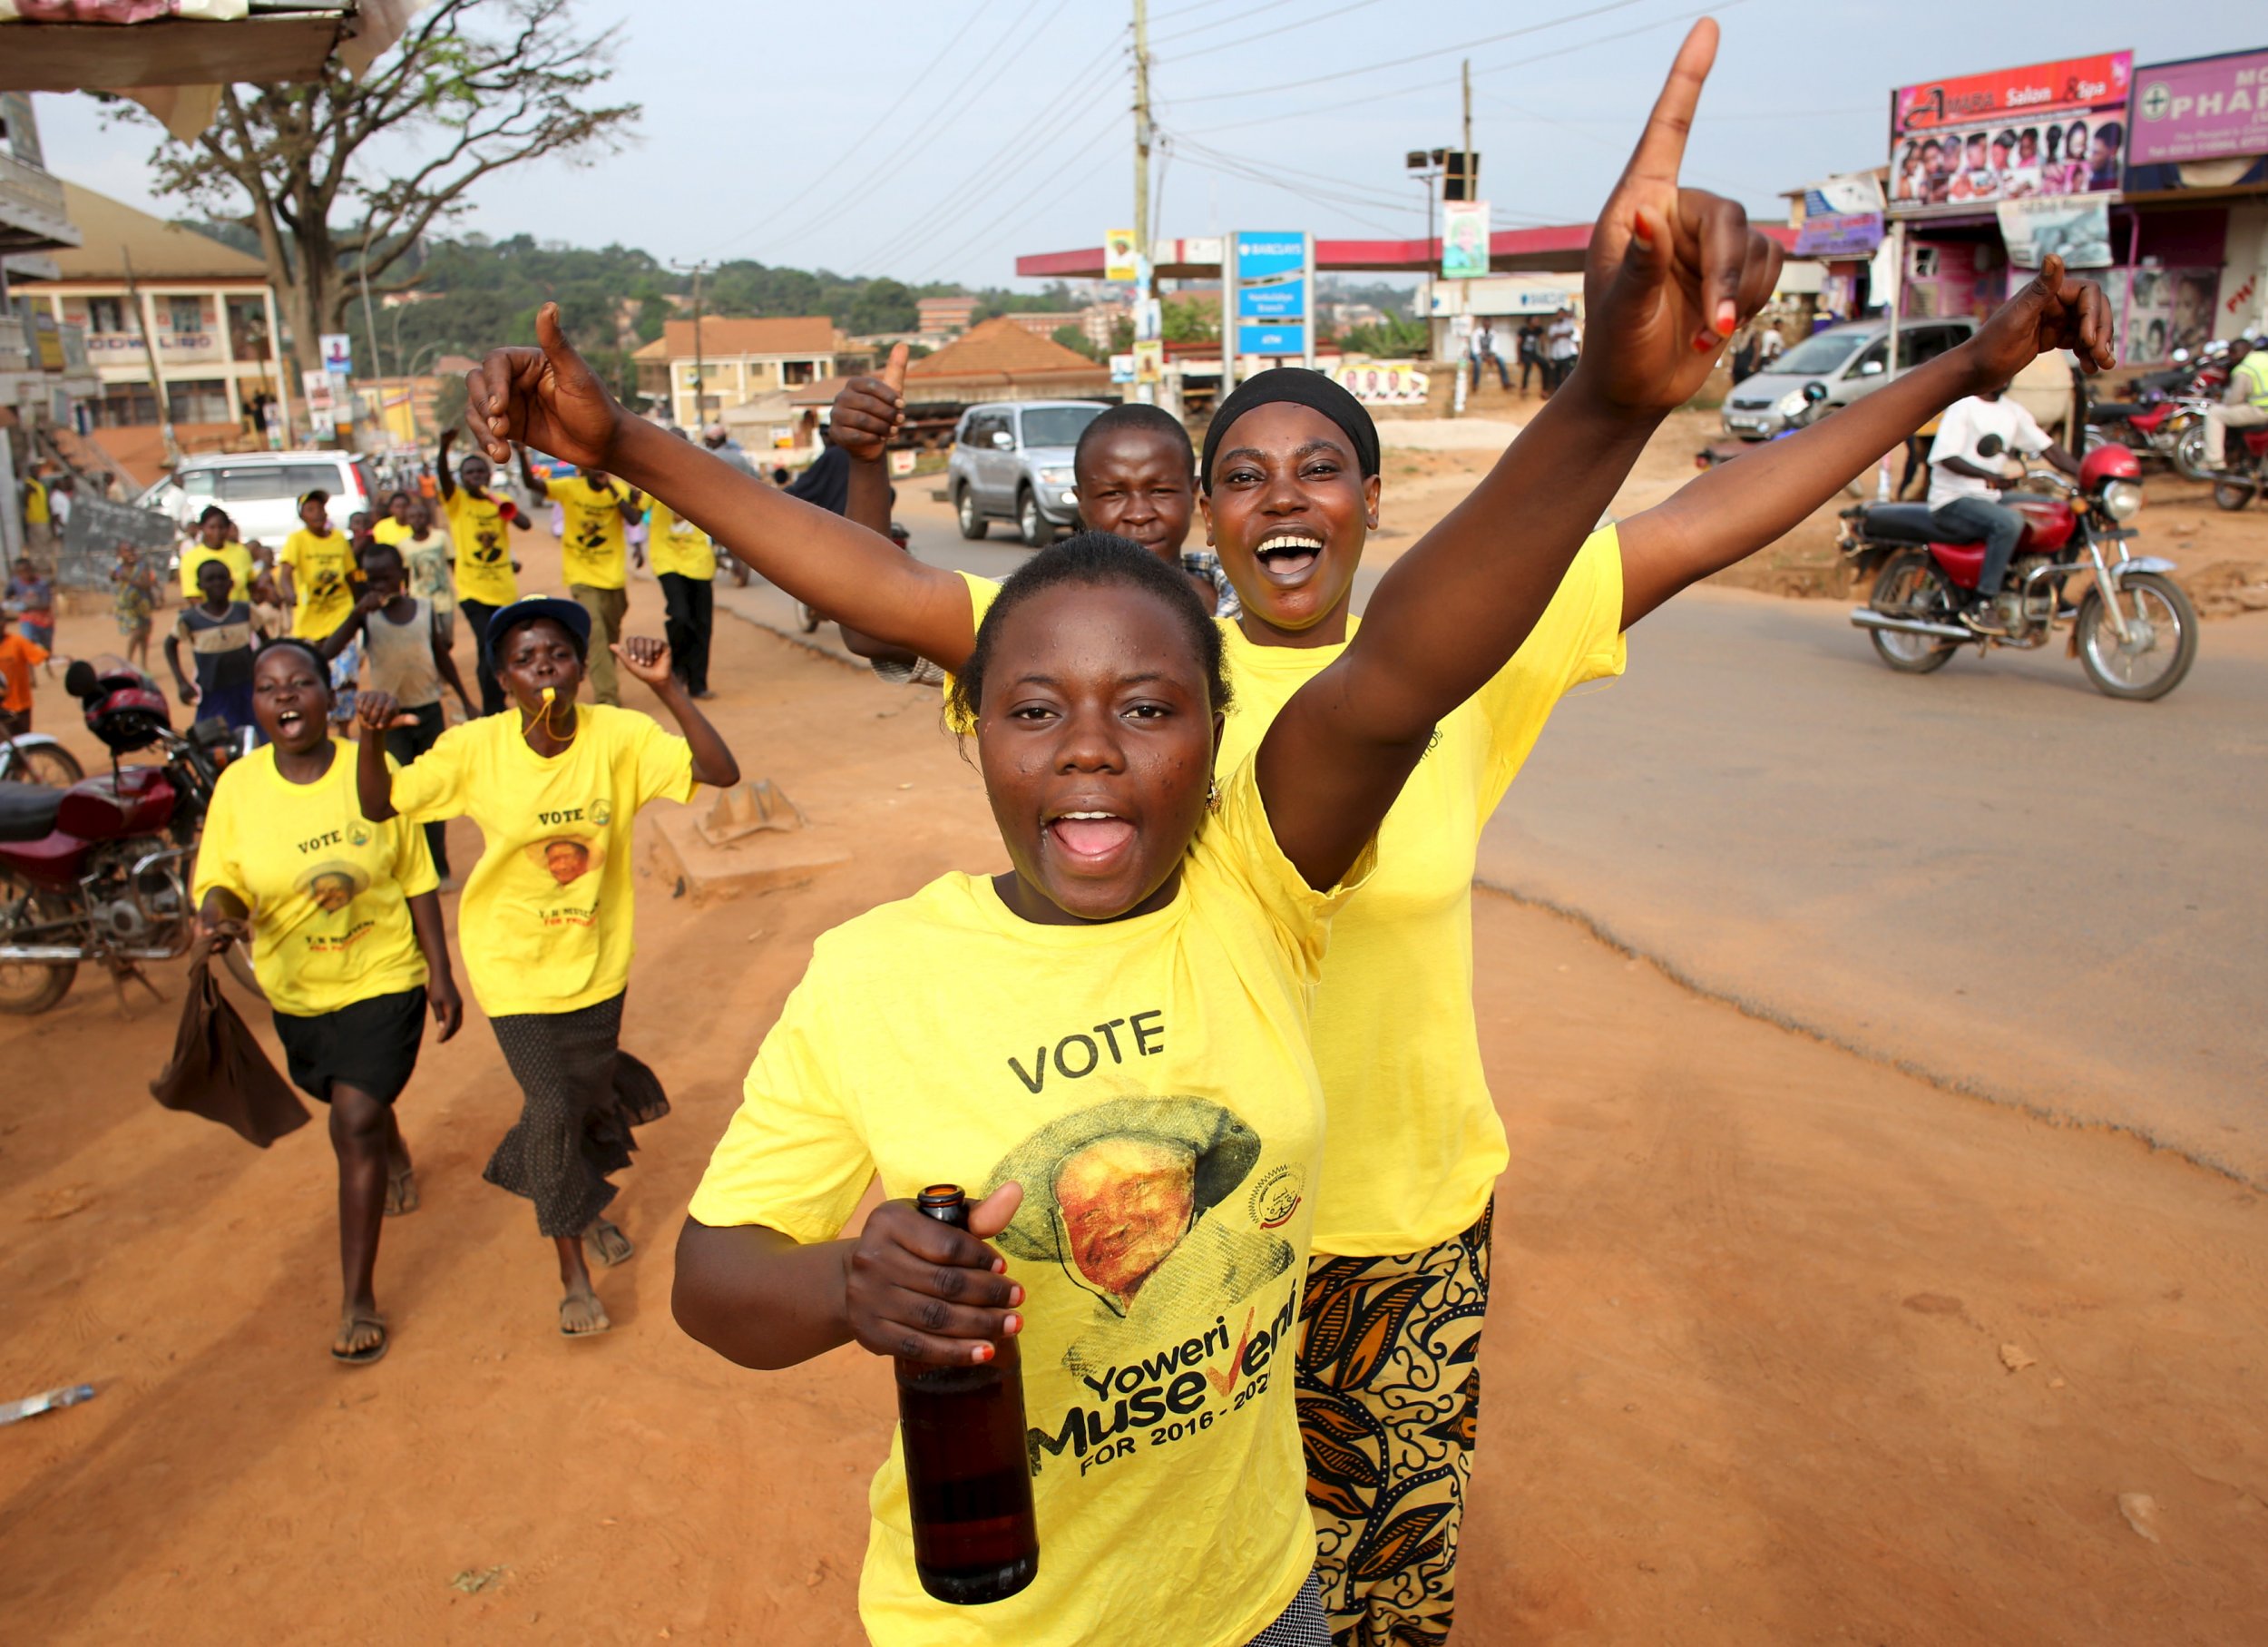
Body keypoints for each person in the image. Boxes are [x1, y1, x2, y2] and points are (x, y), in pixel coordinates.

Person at [455, 26, 1862, 1639]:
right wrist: (849, 1291)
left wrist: (1608, 405)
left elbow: (1408, 665)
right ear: (972, 717)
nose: (1096, 759)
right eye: (1036, 712)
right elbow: (715, 1281)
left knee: (1389, 1587)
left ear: (1220, 738)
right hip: (1004, 1600)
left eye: (1152, 712)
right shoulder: (876, 977)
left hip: (1303, 1483)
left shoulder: (1263, 869)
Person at [644, 250, 2107, 1644]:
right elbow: (855, 573)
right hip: (1188, 1244)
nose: (1283, 496)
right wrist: (630, 446)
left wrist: (1950, 364)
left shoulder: (1427, 669)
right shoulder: (1116, 653)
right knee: (1145, 1521)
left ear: (1368, 499)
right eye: (1242, 474)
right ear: (1198, 520)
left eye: (1321, 465)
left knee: (1376, 1578)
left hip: (1395, 1222)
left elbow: (1669, 537)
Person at [355, 596, 738, 1336]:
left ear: (581, 666)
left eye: (559, 654)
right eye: (528, 661)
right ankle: (573, 1270)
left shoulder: (619, 737)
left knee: (583, 1099)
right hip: (511, 965)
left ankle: (575, 1197)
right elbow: (381, 805)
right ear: (505, 681)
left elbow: (719, 771)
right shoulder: (476, 749)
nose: (546, 670)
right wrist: (369, 741)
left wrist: (667, 688)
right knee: (554, 1107)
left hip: (596, 959)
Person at [194, 640, 464, 1365]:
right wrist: (218, 914)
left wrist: (441, 971)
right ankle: (390, 1141)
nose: (286, 697)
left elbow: (415, 872)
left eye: (301, 682)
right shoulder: (239, 789)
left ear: (329, 693)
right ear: (255, 703)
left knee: (352, 1118)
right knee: (344, 1096)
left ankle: (357, 1296)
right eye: (268, 687)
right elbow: (220, 879)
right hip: (298, 989)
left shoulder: (371, 768)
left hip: (384, 974)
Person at [319, 541, 474, 882]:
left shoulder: (423, 608)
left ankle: (439, 864)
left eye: (385, 578)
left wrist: (465, 699)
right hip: (386, 721)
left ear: (402, 575)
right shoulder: (367, 618)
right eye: (370, 580)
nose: (378, 587)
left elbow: (441, 657)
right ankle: (406, 867)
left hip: (428, 711)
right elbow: (328, 652)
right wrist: (356, 614)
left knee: (432, 791)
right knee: (396, 795)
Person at [1927, 380, 2083, 632]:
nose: (2008, 377)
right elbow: (1945, 457)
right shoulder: (1963, 407)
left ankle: (2050, 591)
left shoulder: (2012, 411)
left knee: (2060, 513)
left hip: (1990, 496)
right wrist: (1988, 476)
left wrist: (2087, 474)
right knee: (2008, 523)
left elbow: (2050, 449)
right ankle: (1983, 602)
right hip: (1952, 499)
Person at [517, 448, 641, 707]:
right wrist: (521, 454)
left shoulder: (617, 490)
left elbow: (634, 517)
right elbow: (532, 484)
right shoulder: (568, 488)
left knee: (609, 638)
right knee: (596, 635)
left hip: (613, 578)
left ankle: (596, 668)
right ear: (582, 469)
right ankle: (608, 700)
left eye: (603, 467)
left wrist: (611, 491)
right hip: (582, 577)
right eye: (594, 467)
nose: (599, 471)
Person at [436, 426, 530, 715]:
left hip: (502, 589)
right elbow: (443, 478)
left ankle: (500, 699)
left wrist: (497, 500)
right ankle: (492, 708)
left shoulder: (498, 499)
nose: (476, 477)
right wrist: (444, 449)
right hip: (472, 591)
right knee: (485, 642)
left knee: (502, 644)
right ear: (462, 479)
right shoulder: (457, 503)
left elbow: (524, 524)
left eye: (481, 473)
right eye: (470, 474)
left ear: (489, 476)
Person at [644, 453, 718, 701]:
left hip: (699, 562)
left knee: (702, 624)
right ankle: (677, 667)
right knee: (680, 615)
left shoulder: (699, 482)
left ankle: (698, 683)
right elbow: (635, 506)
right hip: (668, 561)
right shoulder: (652, 481)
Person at [165, 557, 260, 732]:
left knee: (257, 738)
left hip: (247, 689)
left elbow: (267, 643)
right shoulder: (189, 619)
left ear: (231, 583)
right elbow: (169, 645)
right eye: (210, 579)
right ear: (200, 585)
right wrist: (182, 682)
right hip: (212, 692)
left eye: (222, 578)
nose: (217, 583)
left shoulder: (244, 611)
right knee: (215, 742)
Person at [275, 489, 357, 642]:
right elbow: (285, 574)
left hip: (340, 611)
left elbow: (349, 574)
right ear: (302, 516)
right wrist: (290, 594)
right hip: (310, 615)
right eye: (310, 510)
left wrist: (357, 601)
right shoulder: (297, 540)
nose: (317, 513)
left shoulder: (339, 538)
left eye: (320, 508)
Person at [394, 497, 457, 653]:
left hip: (444, 596)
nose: (417, 520)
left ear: (428, 518)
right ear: (407, 520)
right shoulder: (403, 546)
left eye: (421, 516)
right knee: (430, 637)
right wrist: (405, 595)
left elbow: (452, 562)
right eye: (412, 517)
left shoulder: (440, 538)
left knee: (447, 638)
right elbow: (405, 573)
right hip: (420, 599)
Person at [2204, 337, 2268, 475]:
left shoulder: (2244, 370)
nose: (2231, 357)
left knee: (2215, 413)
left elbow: (2233, 400)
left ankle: (2215, 462)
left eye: (2233, 353)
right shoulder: (2264, 357)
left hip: (2260, 412)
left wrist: (2223, 398)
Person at [178, 506, 254, 600]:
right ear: (202, 528)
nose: (217, 532)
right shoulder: (190, 558)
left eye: (221, 527)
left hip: (241, 612)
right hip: (208, 614)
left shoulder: (241, 552)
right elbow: (193, 597)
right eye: (212, 527)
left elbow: (251, 584)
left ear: (228, 528)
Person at [111, 542, 160, 672]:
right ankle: (129, 662)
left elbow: (146, 585)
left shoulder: (140, 567)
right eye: (126, 551)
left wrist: (128, 579)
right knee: (136, 632)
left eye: (131, 550)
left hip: (142, 606)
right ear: (120, 554)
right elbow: (112, 578)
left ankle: (143, 665)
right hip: (127, 608)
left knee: (144, 635)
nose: (130, 553)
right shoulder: (118, 569)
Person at [0, 614, 46, 739]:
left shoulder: (17, 642)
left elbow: (39, 656)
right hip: (1, 709)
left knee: (23, 745)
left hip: (21, 707)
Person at [7, 554, 54, 651]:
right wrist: (13, 603)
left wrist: (27, 605)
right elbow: (7, 596)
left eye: (26, 570)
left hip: (44, 621)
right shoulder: (15, 583)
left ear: (31, 569)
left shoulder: (41, 584)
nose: (24, 574)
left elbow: (46, 604)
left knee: (46, 650)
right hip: (27, 620)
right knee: (27, 644)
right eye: (20, 572)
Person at [1544, 306, 1580, 393]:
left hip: (1567, 354)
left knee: (1569, 375)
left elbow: (1570, 333)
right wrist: (1562, 335)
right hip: (1556, 355)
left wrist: (1558, 335)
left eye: (1561, 314)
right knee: (1556, 377)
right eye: (1558, 314)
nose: (1559, 316)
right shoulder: (1553, 327)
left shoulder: (1568, 324)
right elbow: (1551, 338)